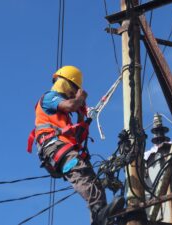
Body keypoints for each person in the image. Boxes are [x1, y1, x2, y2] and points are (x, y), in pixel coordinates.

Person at [27, 65, 124, 225]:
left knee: (94, 184)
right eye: (73, 89)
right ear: (65, 82)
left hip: (63, 147)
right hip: (54, 146)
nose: (73, 94)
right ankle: (100, 212)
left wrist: (81, 116)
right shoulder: (49, 97)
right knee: (81, 174)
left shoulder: (64, 115)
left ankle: (100, 219)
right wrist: (80, 99)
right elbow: (70, 105)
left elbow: (76, 137)